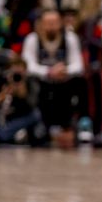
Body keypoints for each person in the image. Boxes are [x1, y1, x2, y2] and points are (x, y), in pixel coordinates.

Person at [21, 10, 85, 143]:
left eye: (54, 22)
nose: (51, 26)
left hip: (64, 81)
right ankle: (37, 126)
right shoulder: (32, 39)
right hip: (42, 82)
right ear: (41, 24)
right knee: (30, 83)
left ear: (60, 23)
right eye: (48, 23)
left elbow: (78, 65)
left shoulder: (70, 38)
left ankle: (76, 126)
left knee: (80, 82)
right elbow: (28, 65)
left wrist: (64, 71)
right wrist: (49, 72)